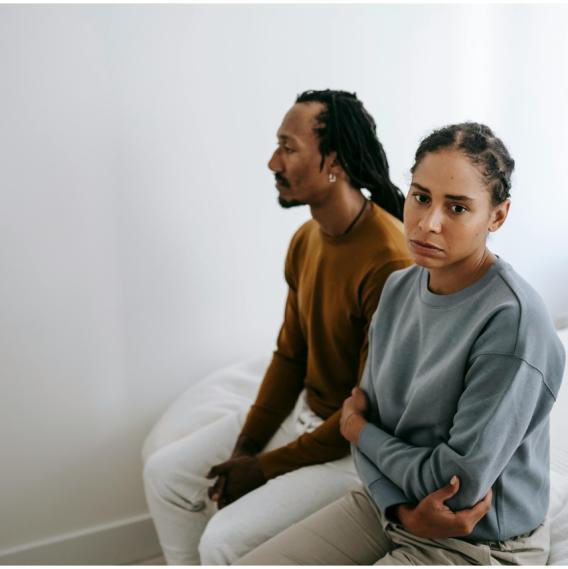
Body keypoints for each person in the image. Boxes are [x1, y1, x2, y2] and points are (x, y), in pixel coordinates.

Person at [237, 122, 566, 565]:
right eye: (421, 197)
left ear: (498, 216)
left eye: (457, 208)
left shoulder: (512, 323)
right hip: (390, 508)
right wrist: (397, 507)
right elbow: (365, 414)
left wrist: (358, 431)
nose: (428, 223)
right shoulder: (397, 289)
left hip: (479, 540)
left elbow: (458, 483)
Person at [142, 89, 414, 565]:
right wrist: (246, 446)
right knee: (166, 475)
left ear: (335, 161)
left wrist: (262, 468)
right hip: (306, 417)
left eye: (288, 148)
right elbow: (290, 356)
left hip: (351, 449)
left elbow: (369, 411)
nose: (273, 162)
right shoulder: (307, 239)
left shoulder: (389, 261)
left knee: (223, 540)